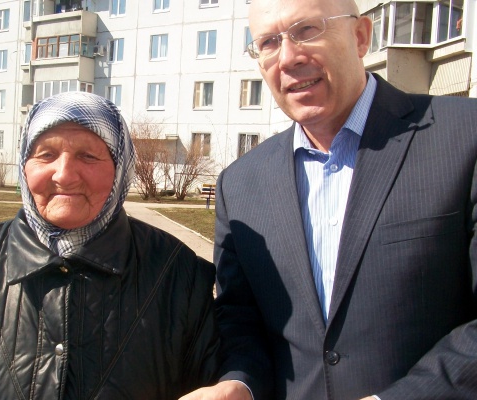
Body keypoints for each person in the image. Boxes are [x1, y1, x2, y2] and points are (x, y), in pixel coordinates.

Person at [181, 0, 477, 398]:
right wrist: (239, 384)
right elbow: (240, 320)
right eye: (269, 42)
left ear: (361, 37)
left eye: (306, 30)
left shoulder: (465, 135)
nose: (288, 57)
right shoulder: (240, 184)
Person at [0, 92, 220, 399]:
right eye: (46, 154)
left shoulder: (180, 275)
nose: (64, 174)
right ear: (25, 166)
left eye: (88, 156)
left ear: (120, 170)